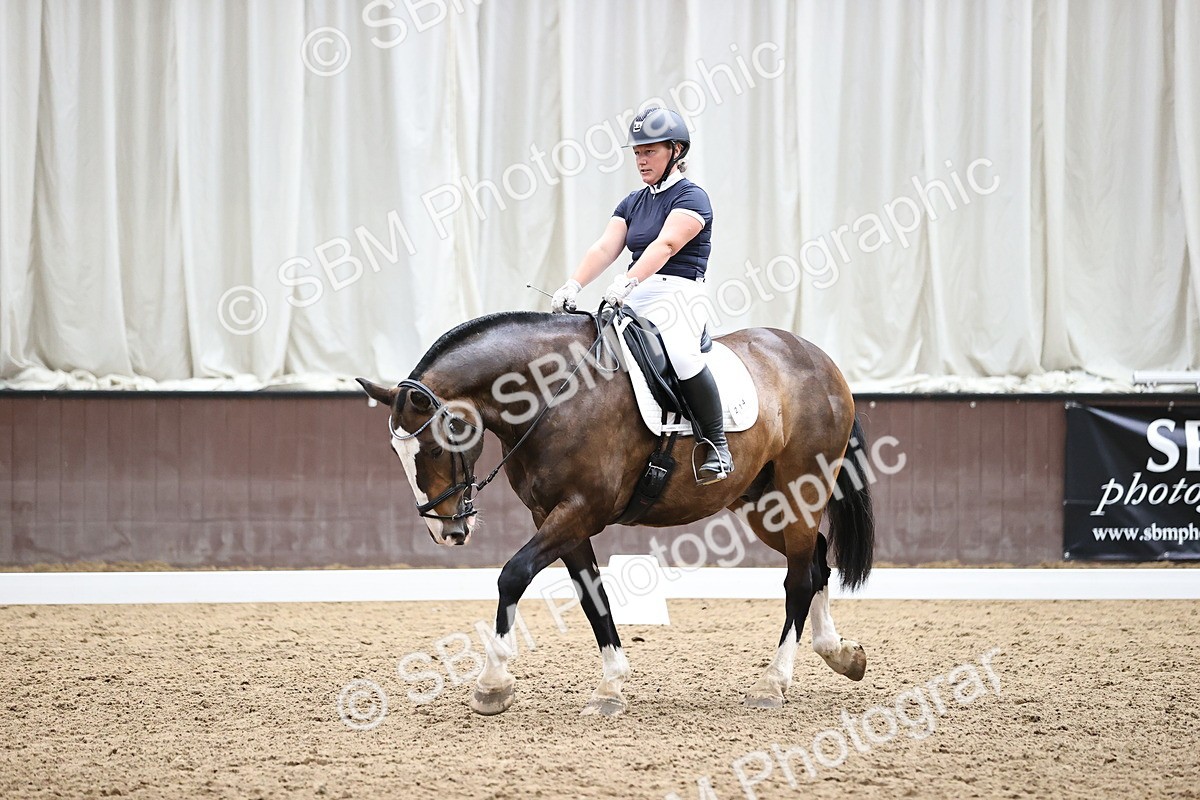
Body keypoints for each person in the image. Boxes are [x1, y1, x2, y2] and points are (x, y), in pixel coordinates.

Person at [550, 107, 733, 485]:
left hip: (680, 293)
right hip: (636, 291)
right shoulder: (632, 202)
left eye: (649, 152)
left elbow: (666, 244)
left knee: (681, 354)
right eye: (637, 153)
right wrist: (573, 284)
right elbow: (605, 248)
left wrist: (628, 280)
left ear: (676, 151)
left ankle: (716, 445)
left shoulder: (692, 197)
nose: (641, 160)